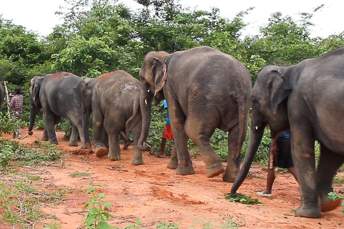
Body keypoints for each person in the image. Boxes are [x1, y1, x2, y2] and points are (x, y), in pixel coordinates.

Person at [257, 130, 298, 197]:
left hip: (280, 138)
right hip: (290, 137)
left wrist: (273, 143)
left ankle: (268, 191)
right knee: (288, 165)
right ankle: (268, 190)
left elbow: (276, 128)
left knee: (274, 164)